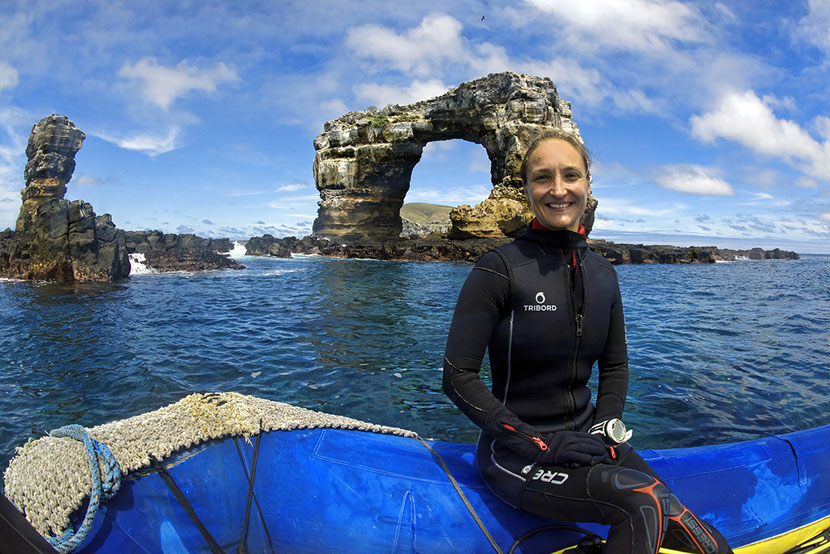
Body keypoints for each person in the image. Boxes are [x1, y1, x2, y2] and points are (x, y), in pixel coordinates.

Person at [442, 130, 732, 553]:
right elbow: (457, 375)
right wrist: (534, 443)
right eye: (543, 178)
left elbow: (614, 367)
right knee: (643, 501)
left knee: (708, 543)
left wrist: (603, 429)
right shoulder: (500, 268)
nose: (558, 189)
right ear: (526, 190)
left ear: (588, 185)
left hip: (589, 439)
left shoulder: (603, 274)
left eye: (570, 175)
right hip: (516, 454)